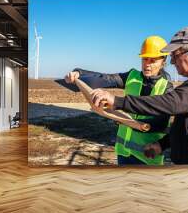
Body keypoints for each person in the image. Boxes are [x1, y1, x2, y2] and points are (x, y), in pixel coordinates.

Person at [91, 26, 188, 165]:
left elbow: (171, 103)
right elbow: (184, 126)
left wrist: (117, 101)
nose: (172, 62)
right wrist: (162, 144)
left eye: (175, 56)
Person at [65, 36, 173, 165]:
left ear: (163, 61)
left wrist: (125, 120)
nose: (147, 64)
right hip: (123, 153)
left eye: (153, 60)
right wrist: (80, 73)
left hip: (148, 156)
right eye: (145, 59)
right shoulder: (131, 76)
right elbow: (105, 78)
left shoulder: (167, 88)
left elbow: (160, 123)